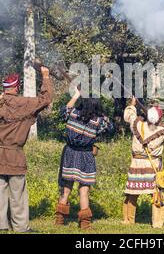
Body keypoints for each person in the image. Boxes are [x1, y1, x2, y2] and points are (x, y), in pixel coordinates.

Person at [0, 59, 54, 232]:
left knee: (0, 191)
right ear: (16, 87)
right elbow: (46, 99)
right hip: (15, 155)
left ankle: (1, 225)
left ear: (4, 87)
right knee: (18, 193)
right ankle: (20, 226)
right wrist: (45, 76)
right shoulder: (25, 103)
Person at [54, 88, 113, 230]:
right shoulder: (98, 121)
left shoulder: (74, 114)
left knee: (66, 187)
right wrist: (99, 112)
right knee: (84, 189)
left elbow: (64, 110)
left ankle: (59, 219)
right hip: (86, 155)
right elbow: (110, 127)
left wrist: (76, 95)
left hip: (70, 153)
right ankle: (85, 224)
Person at [123, 97, 164, 228]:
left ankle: (128, 220)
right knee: (157, 194)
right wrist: (161, 123)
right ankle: (157, 223)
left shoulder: (137, 124)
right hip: (153, 165)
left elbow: (128, 116)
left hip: (137, 164)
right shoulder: (162, 131)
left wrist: (132, 105)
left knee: (132, 193)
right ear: (159, 119)